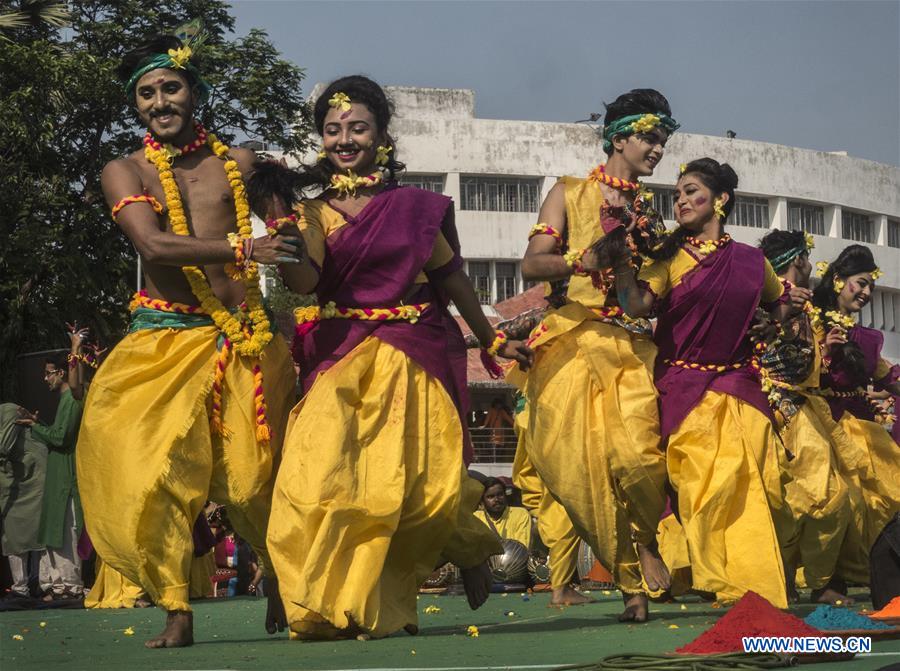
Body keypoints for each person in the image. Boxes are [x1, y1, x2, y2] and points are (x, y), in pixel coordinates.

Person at [249, 75, 532, 640]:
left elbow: (453, 281)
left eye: (357, 127)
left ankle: (430, 574)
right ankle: (320, 598)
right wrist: (281, 232)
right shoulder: (310, 211)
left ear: (381, 136)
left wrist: (493, 338)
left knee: (416, 489)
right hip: (341, 356)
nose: (344, 139)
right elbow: (305, 281)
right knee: (317, 479)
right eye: (332, 130)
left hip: (412, 354)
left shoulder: (413, 207)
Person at [76, 33, 298, 648]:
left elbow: (293, 234)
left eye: (169, 88)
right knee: (152, 472)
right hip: (163, 339)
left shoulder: (244, 163)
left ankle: (282, 575)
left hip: (244, 342)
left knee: (255, 482)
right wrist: (242, 247)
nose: (159, 101)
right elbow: (152, 245)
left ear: (194, 92)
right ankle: (176, 607)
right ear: (136, 105)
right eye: (145, 94)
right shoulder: (126, 170)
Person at [511, 89, 677, 621]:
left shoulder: (653, 222)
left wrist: (625, 265)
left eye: (663, 139)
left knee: (640, 462)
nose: (657, 148)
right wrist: (585, 262)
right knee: (579, 474)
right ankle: (630, 583)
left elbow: (638, 304)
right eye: (650, 136)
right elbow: (533, 266)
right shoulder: (569, 192)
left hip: (627, 348)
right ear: (619, 137)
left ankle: (646, 539)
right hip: (569, 345)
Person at [615, 158, 795, 608]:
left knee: (759, 486)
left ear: (720, 200)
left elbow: (781, 305)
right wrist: (619, 263)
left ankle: (744, 585)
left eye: (690, 191)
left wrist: (772, 328)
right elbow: (636, 306)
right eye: (676, 194)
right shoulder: (668, 259)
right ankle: (735, 586)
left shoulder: (754, 262)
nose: (680, 201)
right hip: (683, 388)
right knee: (703, 487)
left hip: (740, 386)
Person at [757, 230, 859, 605]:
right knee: (799, 498)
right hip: (778, 408)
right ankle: (792, 579)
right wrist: (780, 312)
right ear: (799, 260)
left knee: (827, 497)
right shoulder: (768, 299)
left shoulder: (809, 306)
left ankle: (817, 579)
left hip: (805, 409)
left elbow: (809, 366)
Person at [812, 245, 900, 576]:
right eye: (860, 283)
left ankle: (865, 571)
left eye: (870, 288)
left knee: (884, 495)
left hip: (857, 423)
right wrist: (823, 350)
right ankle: (824, 576)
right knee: (832, 497)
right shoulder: (809, 321)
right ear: (838, 280)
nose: (865, 293)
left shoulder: (865, 338)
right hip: (816, 419)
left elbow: (888, 377)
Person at [16, 344, 85, 601]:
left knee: (67, 531)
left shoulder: (72, 401)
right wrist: (38, 424)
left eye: (49, 373)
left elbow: (61, 438)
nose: (45, 378)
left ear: (62, 373)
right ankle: (61, 586)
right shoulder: (65, 401)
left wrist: (35, 428)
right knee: (58, 530)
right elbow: (57, 434)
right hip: (59, 473)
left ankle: (71, 586)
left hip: (67, 474)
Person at [511, 440, 588, 604]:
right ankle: (561, 588)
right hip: (562, 439)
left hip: (542, 436)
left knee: (558, 515)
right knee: (563, 517)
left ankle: (561, 587)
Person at [474, 478, 532, 548]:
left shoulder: (520, 514)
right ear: (482, 501)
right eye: (490, 497)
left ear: (505, 495)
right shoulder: (475, 518)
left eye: (500, 494)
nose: (496, 499)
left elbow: (521, 548)